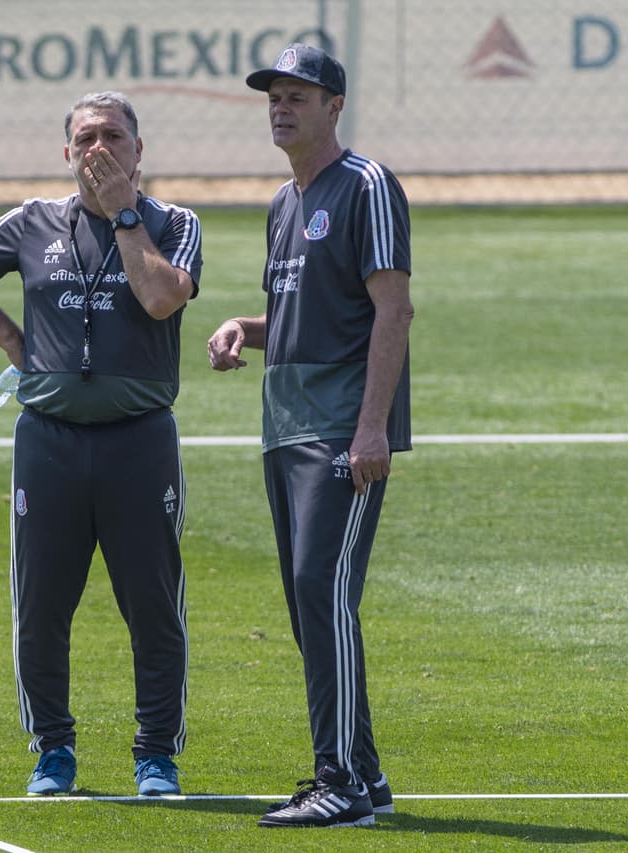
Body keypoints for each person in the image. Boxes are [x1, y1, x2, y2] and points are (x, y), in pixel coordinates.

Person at [0, 91, 202, 797]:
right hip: (48, 440)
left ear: (139, 150)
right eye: (85, 138)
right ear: (66, 153)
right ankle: (52, 748)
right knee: (42, 601)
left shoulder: (174, 224)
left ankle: (156, 754)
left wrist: (123, 216)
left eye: (113, 135)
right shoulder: (33, 221)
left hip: (139, 440)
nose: (99, 149)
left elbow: (161, 299)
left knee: (152, 603)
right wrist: (14, 343)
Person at [207, 43, 414, 828]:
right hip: (284, 427)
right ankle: (364, 773)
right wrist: (240, 327)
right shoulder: (282, 202)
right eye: (274, 96)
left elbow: (391, 310)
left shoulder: (366, 185)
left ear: (335, 105)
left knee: (322, 592)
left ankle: (339, 782)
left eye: (300, 94)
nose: (282, 106)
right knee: (309, 604)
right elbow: (305, 317)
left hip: (340, 429)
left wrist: (372, 430)